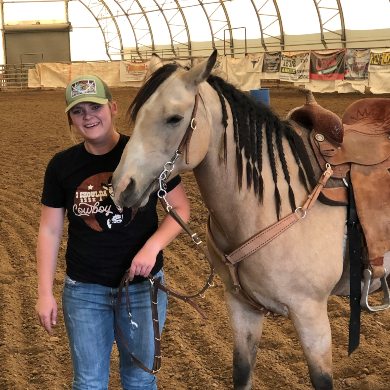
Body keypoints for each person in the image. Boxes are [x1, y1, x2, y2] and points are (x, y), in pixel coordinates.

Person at [35, 74, 190, 390]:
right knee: (89, 382)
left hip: (142, 289)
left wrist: (152, 248)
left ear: (114, 107)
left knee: (141, 379)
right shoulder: (61, 166)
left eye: (95, 107)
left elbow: (181, 210)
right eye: (79, 111)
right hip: (84, 292)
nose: (88, 116)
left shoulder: (145, 152)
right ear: (70, 119)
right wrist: (44, 292)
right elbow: (50, 230)